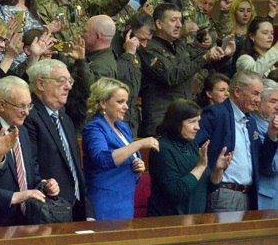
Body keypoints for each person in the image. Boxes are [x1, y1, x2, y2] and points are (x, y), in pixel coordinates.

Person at [0, 76, 60, 227]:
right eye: (21, 106)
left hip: (27, 220)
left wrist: (45, 185)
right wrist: (15, 197)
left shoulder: (22, 130)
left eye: (29, 106)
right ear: (2, 105)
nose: (27, 112)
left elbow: (31, 173)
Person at [138, 3, 232, 137]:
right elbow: (172, 76)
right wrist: (205, 57)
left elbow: (206, 62)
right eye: (173, 20)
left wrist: (224, 54)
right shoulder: (148, 48)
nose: (179, 25)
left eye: (180, 20)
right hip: (161, 121)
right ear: (158, 24)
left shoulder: (179, 45)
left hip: (184, 118)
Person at [196, 71, 278, 212]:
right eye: (255, 94)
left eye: (260, 95)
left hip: (248, 195)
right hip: (223, 192)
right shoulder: (215, 113)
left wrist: (271, 137)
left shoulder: (251, 121)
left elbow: (262, 163)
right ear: (238, 92)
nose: (258, 99)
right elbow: (194, 147)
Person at [24, 59, 95, 221]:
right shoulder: (29, 118)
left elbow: (75, 168)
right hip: (50, 211)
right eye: (61, 81)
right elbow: (31, 167)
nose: (68, 86)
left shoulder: (64, 118)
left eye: (70, 81)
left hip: (76, 208)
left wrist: (88, 212)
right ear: (41, 84)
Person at [82, 77, 159, 220]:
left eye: (126, 102)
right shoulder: (94, 128)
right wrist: (138, 144)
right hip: (105, 202)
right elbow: (101, 159)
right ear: (103, 103)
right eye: (120, 102)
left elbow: (127, 160)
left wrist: (138, 168)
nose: (126, 107)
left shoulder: (123, 128)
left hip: (125, 200)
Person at [147, 99, 232, 216]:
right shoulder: (161, 148)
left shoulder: (192, 145)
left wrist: (218, 170)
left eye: (198, 121)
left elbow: (208, 187)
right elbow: (176, 193)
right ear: (176, 122)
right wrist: (200, 167)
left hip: (197, 219)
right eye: (192, 122)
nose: (198, 127)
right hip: (169, 221)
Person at [250, 80, 278, 210]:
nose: (277, 106)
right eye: (273, 101)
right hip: (266, 197)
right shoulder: (253, 125)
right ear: (258, 102)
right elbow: (269, 166)